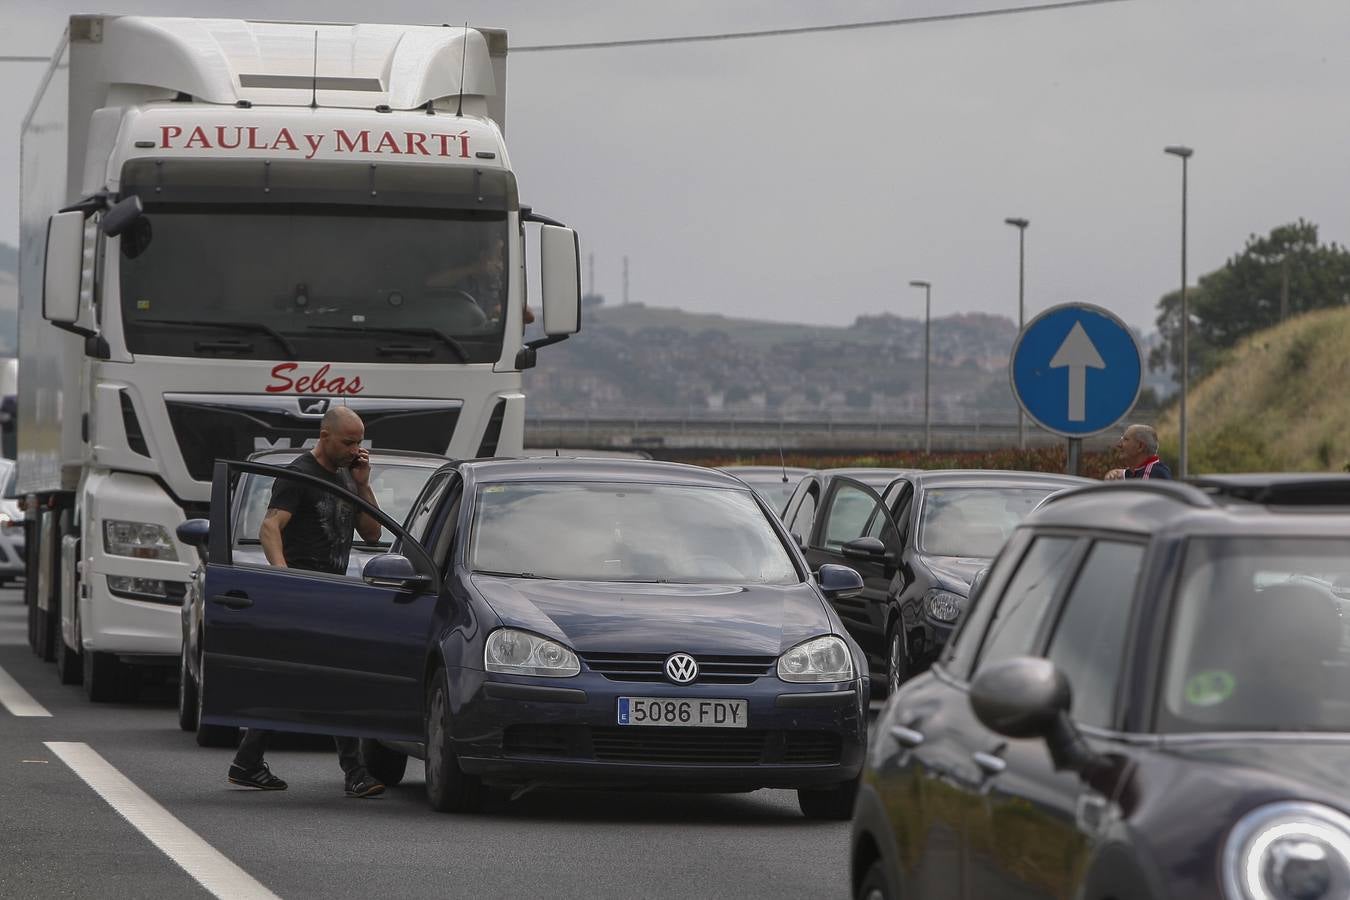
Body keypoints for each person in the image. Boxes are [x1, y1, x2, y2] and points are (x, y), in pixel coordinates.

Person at [226, 406, 388, 798]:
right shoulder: (298, 475)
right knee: (338, 681)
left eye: (359, 442)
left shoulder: (349, 477)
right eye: (348, 442)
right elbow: (270, 527)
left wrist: (364, 485)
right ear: (325, 435)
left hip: (331, 593)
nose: (355, 449)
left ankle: (246, 763)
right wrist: (285, 577)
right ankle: (355, 773)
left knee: (294, 681)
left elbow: (371, 533)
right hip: (304, 592)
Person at [1104, 424, 1173, 481]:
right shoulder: (1132, 473)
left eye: (1125, 440)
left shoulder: (1157, 474)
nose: (1118, 445)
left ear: (1140, 446)